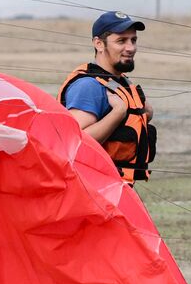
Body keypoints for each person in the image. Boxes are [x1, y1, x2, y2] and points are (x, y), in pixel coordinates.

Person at [60, 11, 156, 183]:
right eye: (121, 41)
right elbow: (77, 142)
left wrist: (145, 113)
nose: (131, 48)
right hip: (92, 191)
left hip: (116, 188)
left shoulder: (121, 82)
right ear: (99, 44)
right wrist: (117, 113)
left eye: (133, 40)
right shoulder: (88, 86)